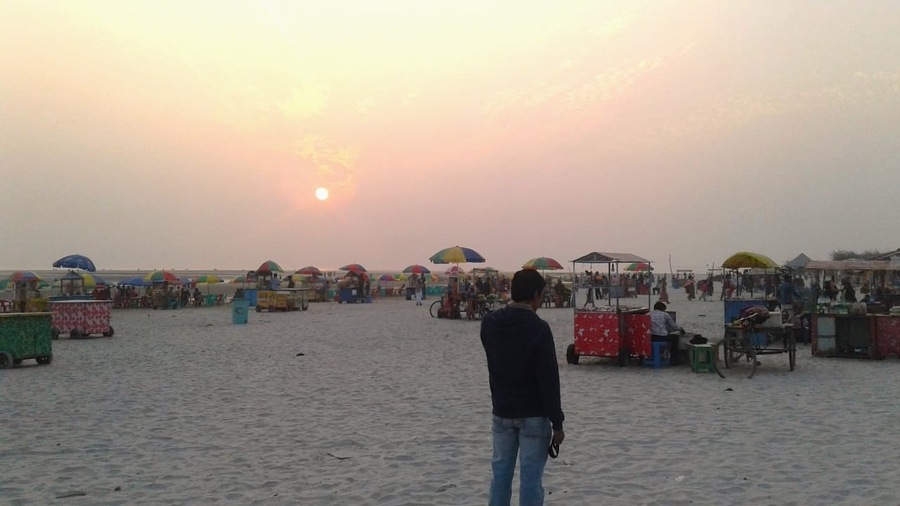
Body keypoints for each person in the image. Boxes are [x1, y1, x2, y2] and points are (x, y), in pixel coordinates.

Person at [480, 269, 565, 506]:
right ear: (536, 294)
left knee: (500, 476)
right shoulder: (539, 328)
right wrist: (557, 423)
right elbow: (549, 379)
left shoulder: (489, 323)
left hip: (502, 410)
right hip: (534, 414)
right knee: (530, 479)